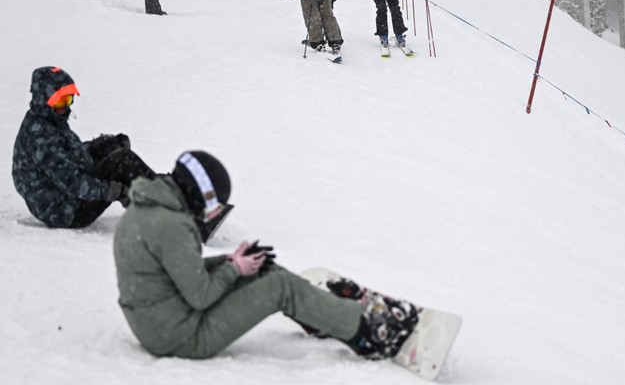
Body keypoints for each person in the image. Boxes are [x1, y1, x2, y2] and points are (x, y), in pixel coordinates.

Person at [112, 150, 418, 361]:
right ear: (197, 193)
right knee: (281, 288)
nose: (209, 215)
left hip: (163, 322)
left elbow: (171, 273)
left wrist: (232, 262)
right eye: (212, 206)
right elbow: (200, 296)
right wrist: (234, 268)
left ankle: (320, 316)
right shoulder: (172, 225)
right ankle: (367, 335)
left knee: (262, 269)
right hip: (180, 337)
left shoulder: (148, 209)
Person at [11, 66, 148, 229]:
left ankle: (160, 194)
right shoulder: (40, 136)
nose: (65, 107)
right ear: (43, 99)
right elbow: (70, 180)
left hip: (69, 197)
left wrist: (96, 147)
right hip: (68, 211)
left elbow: (66, 155)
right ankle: (162, 203)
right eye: (60, 101)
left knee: (112, 149)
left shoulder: (48, 119)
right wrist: (110, 190)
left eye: (68, 99)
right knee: (122, 161)